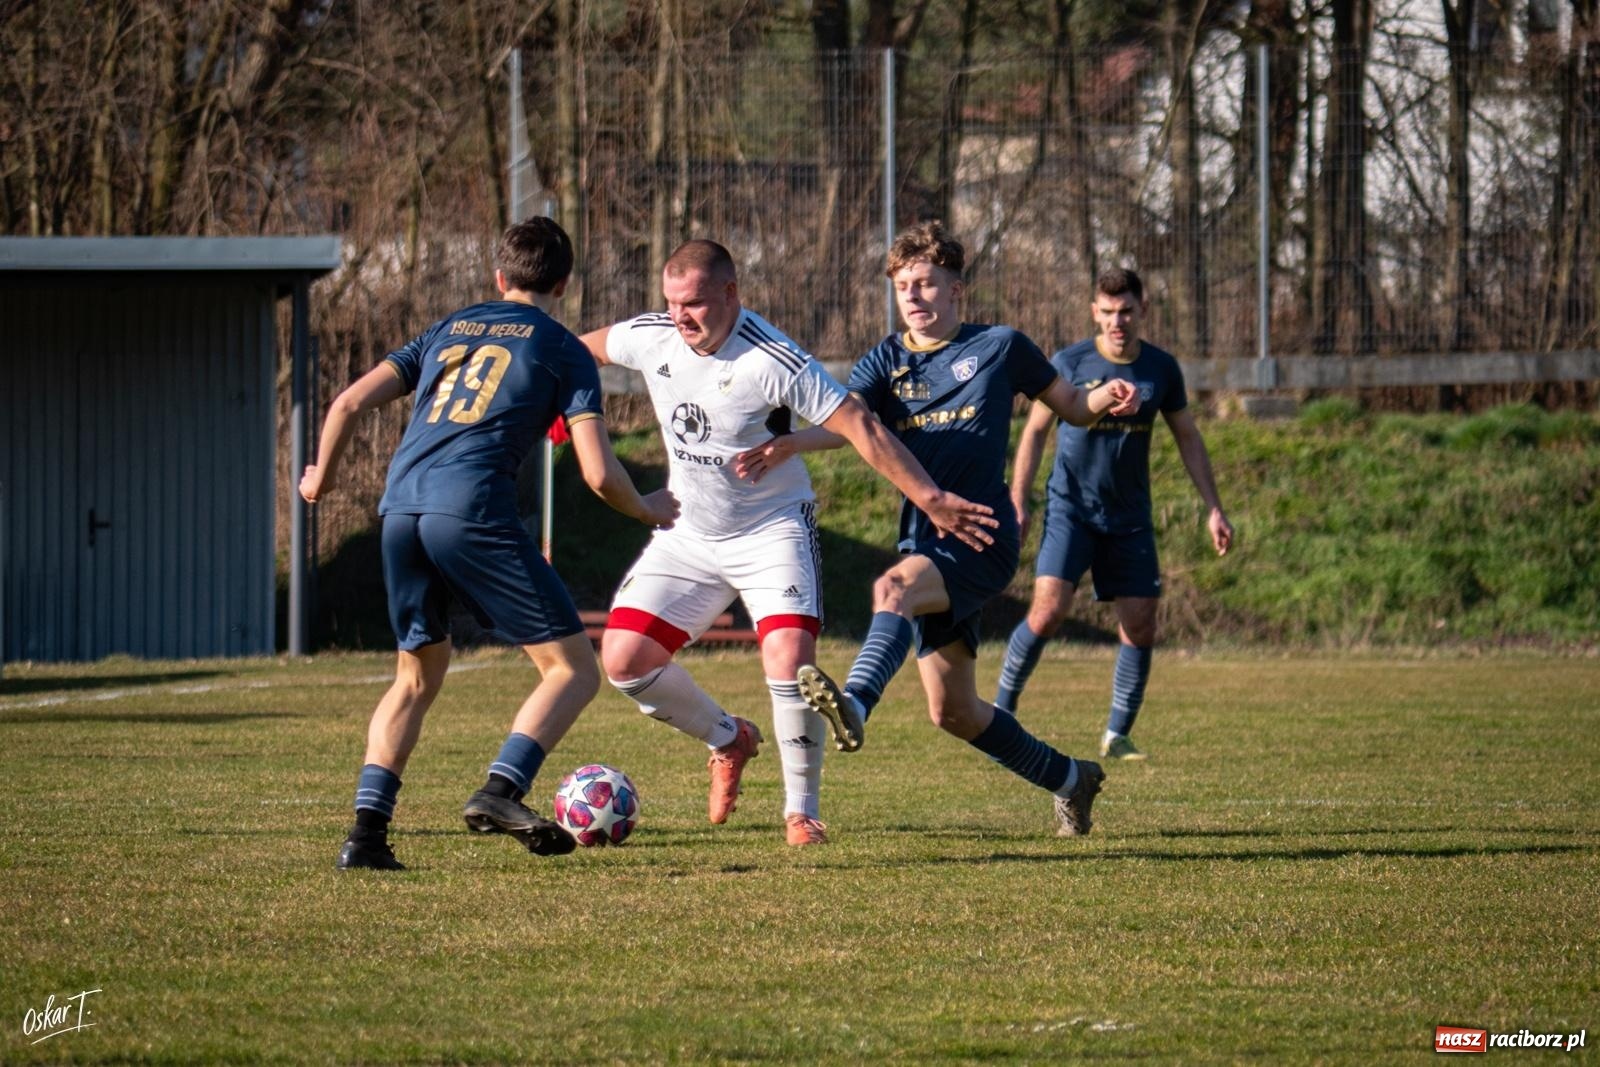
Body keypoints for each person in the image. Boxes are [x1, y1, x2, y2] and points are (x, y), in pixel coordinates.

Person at [579, 239, 997, 846]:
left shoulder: (772, 357)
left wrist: (931, 499)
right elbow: (573, 351)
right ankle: (729, 738)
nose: (681, 317)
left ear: (730, 294)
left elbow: (861, 426)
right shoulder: (654, 335)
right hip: (690, 532)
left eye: (694, 303)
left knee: (790, 661)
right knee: (623, 660)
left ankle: (801, 812)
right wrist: (560, 400)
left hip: (770, 528)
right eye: (672, 303)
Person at [299, 217, 679, 871]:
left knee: (415, 678)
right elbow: (596, 471)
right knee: (572, 670)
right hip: (471, 511)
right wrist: (646, 506)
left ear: (499, 278)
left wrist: (319, 479)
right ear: (564, 282)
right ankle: (501, 788)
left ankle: (365, 838)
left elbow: (346, 404)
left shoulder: (448, 328)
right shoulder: (564, 350)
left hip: (400, 509)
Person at [742, 221, 1140, 837]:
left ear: (957, 290)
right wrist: (787, 443)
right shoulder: (886, 360)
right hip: (924, 535)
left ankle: (854, 704)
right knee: (953, 711)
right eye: (903, 287)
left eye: (926, 284)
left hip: (981, 532)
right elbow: (847, 421)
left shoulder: (1002, 346)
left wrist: (1107, 395)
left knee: (892, 590)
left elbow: (1071, 406)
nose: (914, 298)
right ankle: (1071, 778)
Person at [994, 268, 1234, 761]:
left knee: (1141, 624)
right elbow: (1036, 431)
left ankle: (1117, 733)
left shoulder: (1162, 369)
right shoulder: (1070, 362)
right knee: (1048, 610)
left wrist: (1214, 508)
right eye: (1107, 312)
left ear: (1142, 310)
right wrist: (1018, 499)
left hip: (1130, 518)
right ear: (1094, 313)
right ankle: (1000, 712)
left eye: (1126, 311)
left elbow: (1188, 436)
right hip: (1071, 509)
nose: (1117, 321)